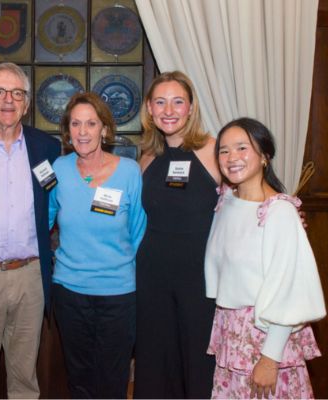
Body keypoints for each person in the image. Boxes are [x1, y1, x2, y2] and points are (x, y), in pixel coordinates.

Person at [203, 117, 324, 399]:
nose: (232, 157)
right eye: (224, 150)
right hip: (231, 334)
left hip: (264, 338)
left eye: (242, 148)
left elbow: (289, 289)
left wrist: (270, 358)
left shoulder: (279, 213)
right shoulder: (226, 201)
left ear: (264, 156)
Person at [0, 62, 61, 399]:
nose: (8, 100)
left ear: (27, 103)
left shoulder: (46, 148)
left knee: (24, 378)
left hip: (31, 276)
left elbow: (53, 203)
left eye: (17, 93)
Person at [46, 92, 146, 399]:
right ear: (68, 130)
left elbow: (138, 231)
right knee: (79, 378)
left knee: (112, 379)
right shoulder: (56, 169)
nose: (83, 131)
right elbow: (43, 219)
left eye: (91, 123)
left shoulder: (130, 172)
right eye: (75, 124)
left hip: (118, 295)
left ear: (104, 129)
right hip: (70, 292)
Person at [132, 71, 222, 397]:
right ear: (150, 109)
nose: (169, 110)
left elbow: (251, 199)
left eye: (177, 101)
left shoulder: (215, 152)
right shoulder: (147, 158)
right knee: (156, 360)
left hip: (200, 277)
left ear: (191, 107)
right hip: (152, 275)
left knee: (200, 361)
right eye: (160, 102)